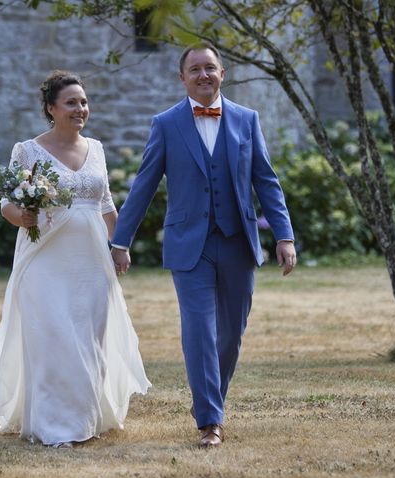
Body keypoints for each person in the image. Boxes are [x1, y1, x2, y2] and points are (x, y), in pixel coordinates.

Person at [111, 42, 296, 448]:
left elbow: (266, 180)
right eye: (194, 69)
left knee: (231, 333)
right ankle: (210, 421)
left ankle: (208, 400)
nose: (203, 75)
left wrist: (284, 235)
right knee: (199, 330)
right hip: (188, 246)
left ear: (222, 73)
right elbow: (143, 186)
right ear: (182, 77)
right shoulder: (166, 123)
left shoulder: (247, 120)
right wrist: (120, 240)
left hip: (237, 243)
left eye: (210, 68)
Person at [0, 70, 150, 448]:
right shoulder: (26, 150)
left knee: (89, 337)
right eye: (72, 102)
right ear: (51, 108)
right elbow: (7, 203)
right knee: (53, 336)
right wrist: (21, 216)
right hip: (44, 258)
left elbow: (106, 202)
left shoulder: (96, 148)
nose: (81, 109)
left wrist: (120, 244)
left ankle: (87, 416)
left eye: (84, 102)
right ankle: (55, 426)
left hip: (91, 262)